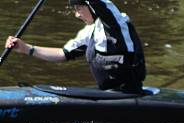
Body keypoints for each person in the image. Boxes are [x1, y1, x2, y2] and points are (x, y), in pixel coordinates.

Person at [5, 0, 146, 93]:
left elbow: (101, 3)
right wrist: (26, 48)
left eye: (79, 8)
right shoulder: (90, 31)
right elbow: (63, 54)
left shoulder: (116, 23)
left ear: (92, 7)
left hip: (128, 92)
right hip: (107, 92)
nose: (77, 14)